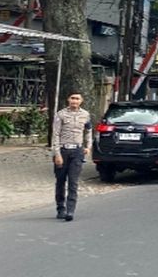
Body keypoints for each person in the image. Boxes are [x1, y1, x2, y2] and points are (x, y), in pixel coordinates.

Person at [51, 91, 91, 222]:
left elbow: (89, 131)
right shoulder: (61, 114)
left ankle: (70, 210)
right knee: (61, 181)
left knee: (73, 182)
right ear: (68, 99)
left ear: (81, 101)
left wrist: (88, 146)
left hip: (77, 151)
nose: (74, 101)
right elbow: (55, 134)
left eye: (77, 99)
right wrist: (57, 154)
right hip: (63, 150)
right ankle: (60, 208)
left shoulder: (85, 115)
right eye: (72, 98)